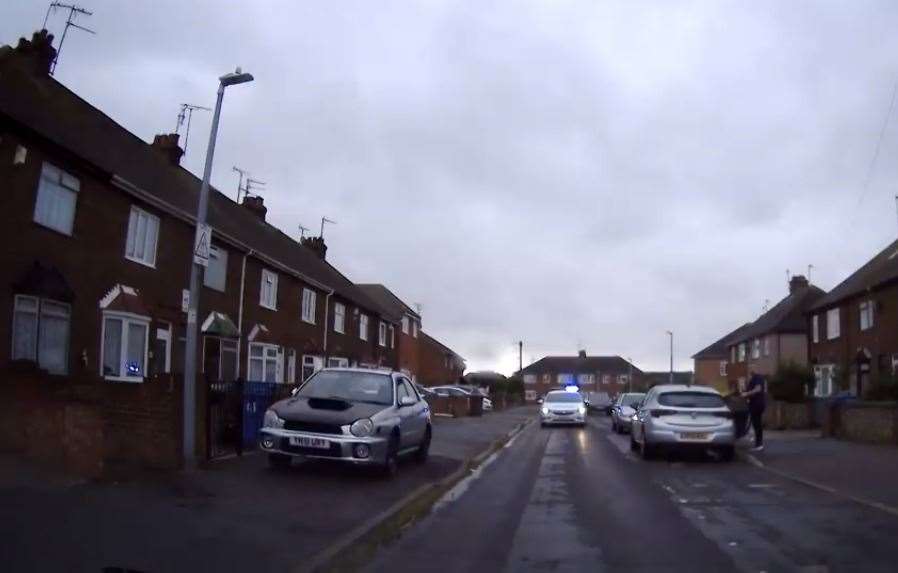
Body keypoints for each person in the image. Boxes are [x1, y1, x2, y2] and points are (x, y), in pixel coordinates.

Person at [741, 370, 767, 451]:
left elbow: (758, 389)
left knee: (757, 424)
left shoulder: (758, 377)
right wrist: (743, 389)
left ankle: (759, 444)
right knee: (755, 424)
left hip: (757, 404)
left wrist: (747, 394)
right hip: (754, 404)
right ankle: (757, 443)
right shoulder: (752, 379)